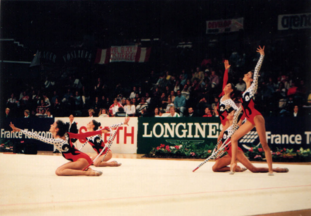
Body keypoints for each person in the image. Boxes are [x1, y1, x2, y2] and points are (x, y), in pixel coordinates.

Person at [230, 46, 274, 175]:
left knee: (264, 144)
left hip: (256, 117)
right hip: (249, 119)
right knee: (234, 138)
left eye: (247, 74)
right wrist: (235, 124)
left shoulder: (253, 88)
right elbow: (241, 110)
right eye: (246, 74)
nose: (246, 74)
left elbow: (256, 70)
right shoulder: (244, 93)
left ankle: (270, 169)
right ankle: (233, 165)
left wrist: (262, 56)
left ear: (250, 78)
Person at [9, 121, 108, 176]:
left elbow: (37, 136)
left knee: (59, 171)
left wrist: (19, 130)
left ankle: (86, 173)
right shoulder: (66, 135)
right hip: (84, 159)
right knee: (62, 170)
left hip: (81, 160)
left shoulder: (56, 140)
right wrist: (100, 131)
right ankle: (86, 169)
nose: (51, 125)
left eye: (53, 125)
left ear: (56, 129)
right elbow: (83, 135)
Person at [212, 109, 288, 173]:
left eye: (231, 113)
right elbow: (219, 139)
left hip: (236, 152)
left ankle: (275, 169)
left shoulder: (236, 126)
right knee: (215, 168)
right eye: (229, 113)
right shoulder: (225, 125)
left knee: (253, 169)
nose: (228, 114)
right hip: (229, 153)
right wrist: (219, 150)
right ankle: (237, 169)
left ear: (233, 116)